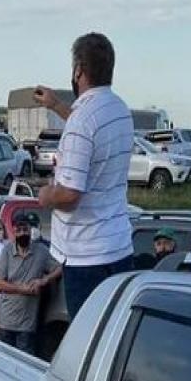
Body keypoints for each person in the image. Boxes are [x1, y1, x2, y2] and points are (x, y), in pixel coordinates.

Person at [34, 32, 134, 321]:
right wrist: (56, 105)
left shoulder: (82, 120)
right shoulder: (119, 110)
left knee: (88, 337)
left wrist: (45, 195)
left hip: (85, 256)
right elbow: (91, 128)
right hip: (117, 247)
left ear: (79, 70)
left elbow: (70, 195)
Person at [0, 211, 62, 355]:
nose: (22, 233)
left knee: (23, 360)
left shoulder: (41, 252)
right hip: (7, 321)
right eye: (19, 230)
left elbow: (60, 268)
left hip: (27, 324)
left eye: (25, 229)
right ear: (14, 231)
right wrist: (23, 289)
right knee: (4, 358)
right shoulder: (7, 251)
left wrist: (45, 280)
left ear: (30, 230)